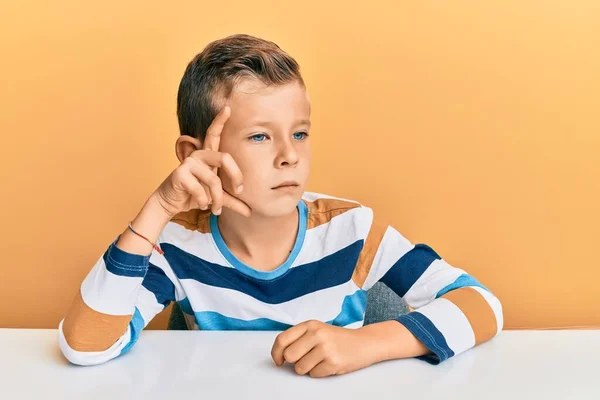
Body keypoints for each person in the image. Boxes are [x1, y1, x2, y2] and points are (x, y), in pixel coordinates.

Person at [58, 33, 503, 377]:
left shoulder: (353, 231)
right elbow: (85, 346)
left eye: (300, 133)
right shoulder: (176, 247)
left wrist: (365, 345)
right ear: (194, 155)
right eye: (259, 136)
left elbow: (482, 305)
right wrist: (158, 207)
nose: (289, 154)